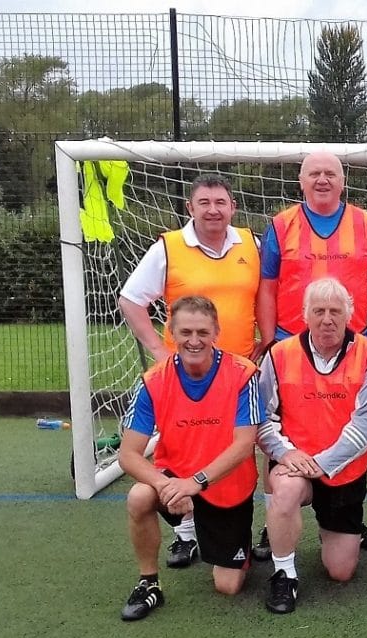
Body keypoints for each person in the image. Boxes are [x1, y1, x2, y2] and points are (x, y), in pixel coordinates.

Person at [118, 173, 265, 570]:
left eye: (221, 202)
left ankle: (258, 528)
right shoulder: (169, 247)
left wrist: (266, 340)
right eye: (205, 203)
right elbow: (131, 299)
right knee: (184, 447)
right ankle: (185, 530)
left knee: (253, 446)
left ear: (233, 207)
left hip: (240, 373)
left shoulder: (251, 244)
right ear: (191, 208)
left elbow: (270, 294)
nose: (213, 210)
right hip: (186, 374)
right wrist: (157, 349)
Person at [256, 151, 367, 557]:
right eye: (314, 173)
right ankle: (275, 521)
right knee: (280, 434)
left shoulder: (366, 224)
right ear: (301, 181)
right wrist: (270, 341)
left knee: (346, 429)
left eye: (330, 173)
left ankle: (345, 515)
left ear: (342, 181)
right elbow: (267, 285)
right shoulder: (281, 225)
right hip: (291, 345)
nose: (322, 179)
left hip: (348, 345)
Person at [116, 296, 262, 621]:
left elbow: (244, 445)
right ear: (171, 332)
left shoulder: (243, 374)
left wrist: (195, 483)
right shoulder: (153, 381)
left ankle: (232, 546)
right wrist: (165, 485)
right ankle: (149, 583)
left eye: (201, 332)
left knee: (228, 586)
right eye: (185, 332)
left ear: (216, 332)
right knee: (140, 496)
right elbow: (128, 454)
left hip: (227, 488)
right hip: (177, 481)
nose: (193, 341)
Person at [256, 278, 367, 614]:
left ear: (350, 314)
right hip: (294, 464)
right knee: (284, 491)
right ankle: (284, 573)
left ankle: (337, 532)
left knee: (341, 571)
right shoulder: (279, 354)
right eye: (318, 311)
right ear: (305, 315)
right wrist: (286, 453)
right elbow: (262, 419)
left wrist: (322, 462)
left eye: (335, 311)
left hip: (342, 471)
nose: (327, 319)